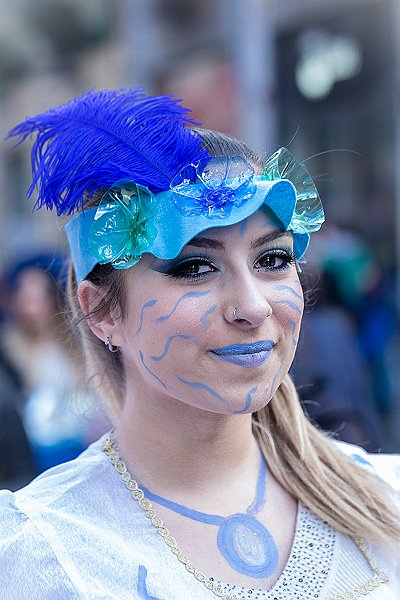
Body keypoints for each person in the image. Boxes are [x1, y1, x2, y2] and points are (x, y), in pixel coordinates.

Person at [0, 88, 399, 599]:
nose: (252, 306)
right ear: (102, 310)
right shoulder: (42, 552)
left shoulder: (386, 499)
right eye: (194, 268)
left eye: (273, 260)